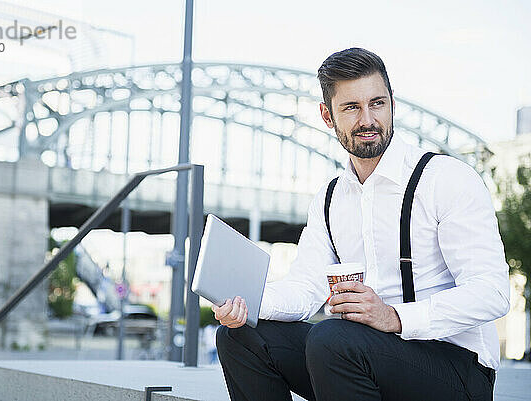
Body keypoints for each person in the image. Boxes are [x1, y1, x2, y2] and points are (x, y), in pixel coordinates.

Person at [212, 48, 510, 401]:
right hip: (358, 358)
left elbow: (492, 292)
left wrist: (394, 317)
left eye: (377, 103)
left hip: (456, 371)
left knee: (334, 339)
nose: (368, 120)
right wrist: (245, 303)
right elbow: (306, 288)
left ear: (392, 103)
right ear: (327, 115)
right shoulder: (330, 198)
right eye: (351, 108)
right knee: (241, 336)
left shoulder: (445, 178)